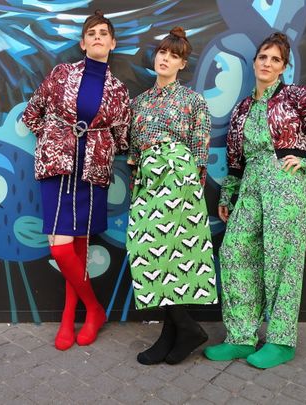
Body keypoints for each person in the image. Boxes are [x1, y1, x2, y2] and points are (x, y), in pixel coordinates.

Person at [204, 32, 306, 369]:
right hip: (251, 186)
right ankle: (241, 336)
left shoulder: (298, 97)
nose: (267, 64)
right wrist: (229, 193)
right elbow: (236, 157)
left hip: (286, 187)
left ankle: (282, 340)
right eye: (263, 57)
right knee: (235, 252)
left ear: (284, 67)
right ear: (254, 62)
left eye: (275, 59)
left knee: (282, 262)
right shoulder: (242, 109)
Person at [21, 11, 130, 350]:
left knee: (79, 247)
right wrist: (54, 138)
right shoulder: (61, 74)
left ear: (112, 43)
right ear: (83, 43)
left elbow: (122, 138)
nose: (98, 37)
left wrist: (97, 144)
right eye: (91, 33)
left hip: (91, 173)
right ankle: (95, 309)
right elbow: (31, 114)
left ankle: (70, 320)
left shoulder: (119, 90)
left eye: (104, 33)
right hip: (58, 169)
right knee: (60, 245)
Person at [126, 26, 217, 365]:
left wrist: (190, 189)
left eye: (174, 55)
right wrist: (139, 185)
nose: (165, 58)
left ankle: (173, 333)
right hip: (148, 181)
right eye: (162, 52)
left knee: (174, 256)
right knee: (147, 251)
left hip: (180, 179)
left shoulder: (193, 101)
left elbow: (200, 149)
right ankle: (182, 329)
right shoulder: (140, 103)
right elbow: (133, 152)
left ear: (182, 64)